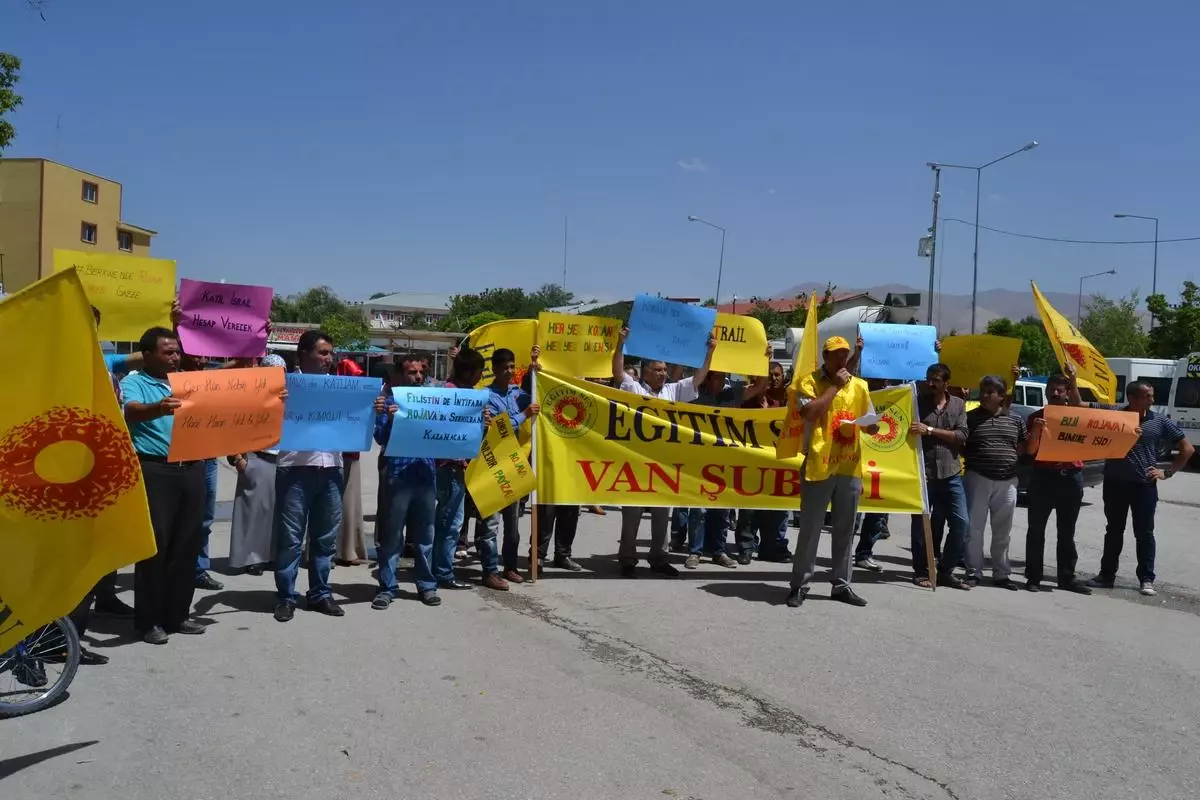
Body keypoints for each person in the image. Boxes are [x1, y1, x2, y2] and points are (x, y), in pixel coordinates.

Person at [274, 330, 377, 622]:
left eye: (330, 353)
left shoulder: (340, 388)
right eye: (322, 353)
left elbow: (359, 416)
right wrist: (275, 402)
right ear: (302, 355)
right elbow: (263, 418)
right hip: (294, 469)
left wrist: (375, 408)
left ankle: (320, 593)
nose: (328, 359)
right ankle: (286, 596)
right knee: (291, 539)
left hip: (331, 469)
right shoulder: (283, 386)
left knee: (325, 538)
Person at [121, 327, 206, 644]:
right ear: (147, 355)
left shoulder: (187, 380)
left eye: (177, 352)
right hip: (155, 470)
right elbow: (131, 411)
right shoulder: (135, 382)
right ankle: (149, 621)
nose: (175, 357)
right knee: (155, 547)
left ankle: (178, 615)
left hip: (192, 468)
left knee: (186, 545)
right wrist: (159, 407)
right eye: (167, 352)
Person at [610, 328, 714, 578]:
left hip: (664, 463)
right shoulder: (634, 389)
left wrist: (710, 351)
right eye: (658, 370)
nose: (663, 374)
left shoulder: (672, 391)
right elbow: (617, 372)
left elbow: (698, 379)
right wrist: (620, 345)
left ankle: (659, 557)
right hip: (636, 462)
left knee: (661, 515)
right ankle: (627, 559)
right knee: (632, 514)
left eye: (665, 370)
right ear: (646, 371)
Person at [786, 336, 878, 608]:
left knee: (845, 529)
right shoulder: (808, 382)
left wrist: (870, 426)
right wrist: (835, 387)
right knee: (811, 528)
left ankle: (842, 584)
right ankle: (800, 585)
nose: (840, 360)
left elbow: (869, 422)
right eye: (835, 355)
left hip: (849, 465)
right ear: (825, 357)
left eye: (844, 354)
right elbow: (810, 413)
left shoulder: (860, 386)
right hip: (819, 464)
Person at [1092, 380, 1194, 596]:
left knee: (1145, 533)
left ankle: (1146, 579)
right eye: (1147, 396)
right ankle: (1106, 575)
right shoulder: (1115, 415)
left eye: (1152, 396)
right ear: (1132, 398)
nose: (1152, 400)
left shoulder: (1159, 421)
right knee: (1113, 530)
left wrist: (1167, 472)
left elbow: (1188, 449)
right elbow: (1080, 405)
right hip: (1115, 483)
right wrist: (1073, 382)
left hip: (1144, 486)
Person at [372, 357, 445, 608]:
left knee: (425, 535)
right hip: (398, 475)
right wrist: (390, 419)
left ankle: (426, 585)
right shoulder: (389, 403)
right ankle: (387, 587)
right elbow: (379, 437)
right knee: (392, 536)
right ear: (399, 375)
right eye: (411, 372)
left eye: (420, 372)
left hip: (425, 474)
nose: (417, 376)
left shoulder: (432, 402)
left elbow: (446, 431)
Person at [1024, 365, 1092, 594]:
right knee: (1036, 529)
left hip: (1071, 478)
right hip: (1043, 477)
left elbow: (1080, 403)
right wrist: (1035, 431)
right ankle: (1033, 577)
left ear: (1066, 393)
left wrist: (1073, 378)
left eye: (1059, 390)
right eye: (1051, 390)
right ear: (1046, 393)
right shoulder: (1036, 418)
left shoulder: (1077, 416)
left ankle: (1066, 578)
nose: (1055, 393)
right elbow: (1030, 451)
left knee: (1067, 531)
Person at [908, 363, 972, 591]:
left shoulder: (958, 405)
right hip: (924, 474)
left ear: (947, 382)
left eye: (935, 379)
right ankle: (921, 570)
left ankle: (946, 570)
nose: (931, 383)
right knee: (920, 524)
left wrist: (931, 431)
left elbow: (962, 435)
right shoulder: (917, 403)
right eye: (928, 378)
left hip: (951, 473)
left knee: (961, 522)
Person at [480, 348, 540, 587]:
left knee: (512, 523)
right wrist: (524, 414)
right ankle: (489, 570)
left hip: (514, 463)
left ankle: (511, 566)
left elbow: (538, 393)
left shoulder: (518, 394)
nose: (509, 371)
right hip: (492, 463)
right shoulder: (486, 396)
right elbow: (497, 426)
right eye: (505, 367)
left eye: (512, 367)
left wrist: (536, 366)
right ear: (494, 369)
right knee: (491, 523)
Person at [963, 374, 1027, 590]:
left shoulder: (1016, 420)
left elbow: (1022, 447)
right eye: (982, 391)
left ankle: (1001, 574)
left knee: (1003, 530)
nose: (984, 396)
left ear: (1001, 396)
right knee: (974, 528)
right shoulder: (970, 418)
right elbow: (962, 444)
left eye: (990, 392)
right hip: (977, 478)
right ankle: (973, 571)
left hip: (1007, 482)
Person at [434, 347, 490, 585]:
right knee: (450, 522)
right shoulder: (451, 393)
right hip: (448, 465)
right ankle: (443, 572)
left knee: (447, 520)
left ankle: (439, 568)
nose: (480, 376)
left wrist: (482, 423)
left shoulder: (467, 394)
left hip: (456, 465)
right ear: (469, 372)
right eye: (479, 371)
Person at [228, 354, 288, 575]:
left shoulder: (287, 397)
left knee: (277, 513)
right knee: (253, 512)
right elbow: (233, 427)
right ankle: (251, 558)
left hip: (282, 459)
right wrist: (238, 458)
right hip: (257, 458)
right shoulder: (249, 398)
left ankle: (272, 555)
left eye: (282, 372)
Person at [335, 358, 369, 566]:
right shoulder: (332, 396)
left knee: (350, 504)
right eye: (354, 377)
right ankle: (326, 552)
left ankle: (349, 550)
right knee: (328, 506)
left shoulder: (361, 397)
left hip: (351, 455)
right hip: (332, 455)